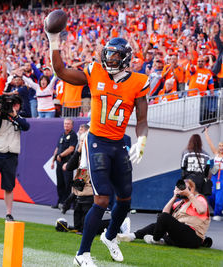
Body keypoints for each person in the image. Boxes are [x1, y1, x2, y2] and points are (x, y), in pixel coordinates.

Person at [46, 24, 149, 266]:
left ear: (125, 58)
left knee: (125, 200)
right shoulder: (95, 72)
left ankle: (110, 236)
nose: (110, 58)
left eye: (115, 55)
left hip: (119, 142)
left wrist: (142, 139)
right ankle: (82, 254)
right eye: (108, 53)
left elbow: (142, 119)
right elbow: (60, 71)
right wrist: (53, 40)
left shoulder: (138, 82)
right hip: (97, 141)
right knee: (102, 199)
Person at [117, 179, 212, 249]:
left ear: (191, 189)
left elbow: (201, 210)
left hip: (193, 237)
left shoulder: (199, 198)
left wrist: (189, 194)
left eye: (185, 187)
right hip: (180, 235)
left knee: (164, 218)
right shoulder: (179, 203)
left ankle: (156, 240)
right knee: (156, 224)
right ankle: (132, 236)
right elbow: (164, 213)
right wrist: (174, 197)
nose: (182, 189)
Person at [0, 94, 30, 222]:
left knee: (9, 187)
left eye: (15, 104)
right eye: (10, 104)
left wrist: (15, 116)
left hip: (10, 155)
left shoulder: (19, 117)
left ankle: (8, 213)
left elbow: (26, 127)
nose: (12, 106)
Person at [50, 118, 78, 209]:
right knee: (60, 183)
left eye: (68, 124)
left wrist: (61, 155)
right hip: (59, 163)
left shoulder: (73, 135)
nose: (66, 125)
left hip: (67, 163)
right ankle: (60, 202)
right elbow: (57, 148)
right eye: (65, 124)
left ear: (72, 125)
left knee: (67, 184)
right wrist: (53, 160)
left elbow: (71, 149)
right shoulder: (62, 135)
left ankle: (67, 203)